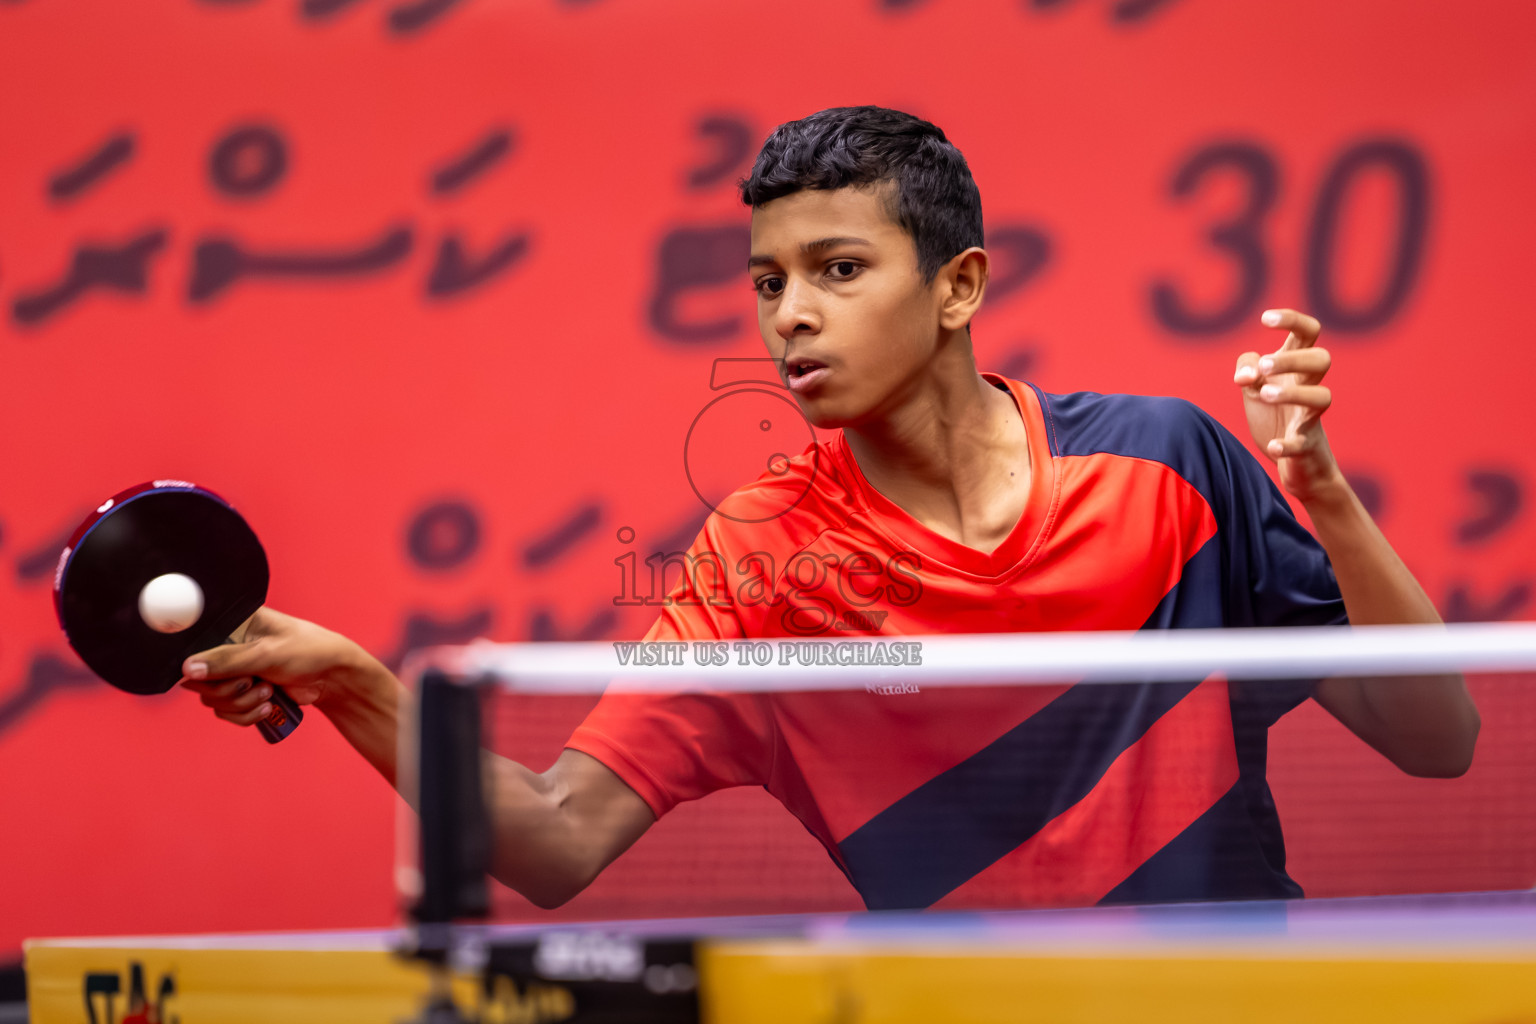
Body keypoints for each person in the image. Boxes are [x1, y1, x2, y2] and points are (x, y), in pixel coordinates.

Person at [181, 106, 1479, 910]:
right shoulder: (764, 559)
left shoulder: (1165, 464)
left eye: (837, 269)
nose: (789, 313)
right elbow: (559, 845)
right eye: (765, 281)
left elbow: (1440, 737)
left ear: (958, 286)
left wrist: (1320, 492)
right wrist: (357, 682)